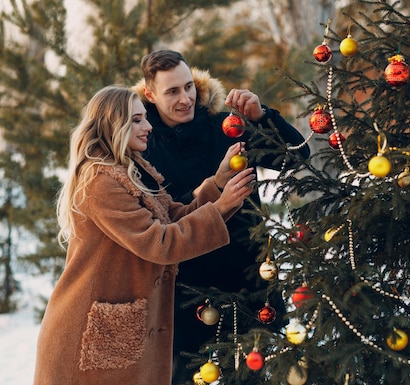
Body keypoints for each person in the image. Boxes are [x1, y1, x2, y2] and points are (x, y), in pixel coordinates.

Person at [33, 85, 255, 385]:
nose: (148, 126)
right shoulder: (101, 181)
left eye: (144, 118)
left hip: (115, 333)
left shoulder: (132, 169)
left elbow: (173, 218)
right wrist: (222, 205)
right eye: (137, 120)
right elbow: (160, 243)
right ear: (114, 123)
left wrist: (218, 184)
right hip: (87, 340)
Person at [132, 49, 310, 383]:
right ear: (150, 95)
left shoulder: (224, 126)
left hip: (248, 278)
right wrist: (212, 191)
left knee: (253, 375)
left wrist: (262, 118)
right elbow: (157, 220)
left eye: (189, 87)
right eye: (172, 91)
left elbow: (298, 159)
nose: (186, 99)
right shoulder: (143, 145)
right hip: (186, 292)